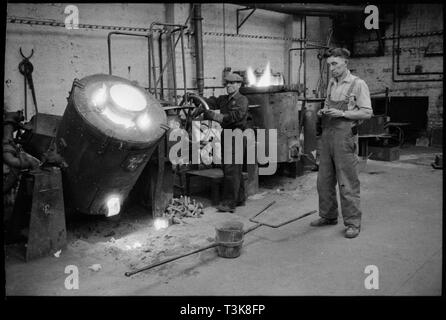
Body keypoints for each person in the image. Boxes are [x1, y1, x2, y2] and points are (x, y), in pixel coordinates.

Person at [310, 48, 373, 238]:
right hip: (328, 135)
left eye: (335, 64)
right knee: (324, 181)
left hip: (345, 137)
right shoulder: (331, 83)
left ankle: (353, 223)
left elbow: (367, 112)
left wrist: (343, 113)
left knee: (347, 181)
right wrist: (324, 110)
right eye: (329, 64)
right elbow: (329, 105)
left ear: (345, 62)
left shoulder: (358, 84)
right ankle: (328, 216)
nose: (331, 68)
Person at [191, 73, 249, 213]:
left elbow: (234, 117)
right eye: (227, 83)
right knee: (234, 169)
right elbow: (210, 102)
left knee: (231, 170)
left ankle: (229, 204)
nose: (228, 85)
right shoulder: (224, 99)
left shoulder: (242, 100)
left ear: (239, 85)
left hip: (236, 134)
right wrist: (195, 98)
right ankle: (239, 198)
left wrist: (214, 116)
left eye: (232, 83)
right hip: (226, 134)